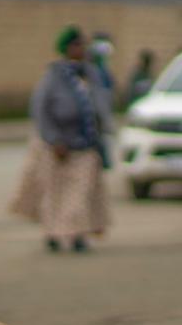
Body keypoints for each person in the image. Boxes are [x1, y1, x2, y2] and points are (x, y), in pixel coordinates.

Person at [15, 26, 111, 253]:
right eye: (77, 45)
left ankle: (77, 234)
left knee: (80, 193)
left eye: (83, 45)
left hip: (85, 145)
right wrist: (54, 139)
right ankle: (53, 233)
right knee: (56, 193)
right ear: (67, 48)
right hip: (60, 146)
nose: (81, 49)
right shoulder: (54, 76)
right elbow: (40, 110)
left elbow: (101, 104)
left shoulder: (91, 74)